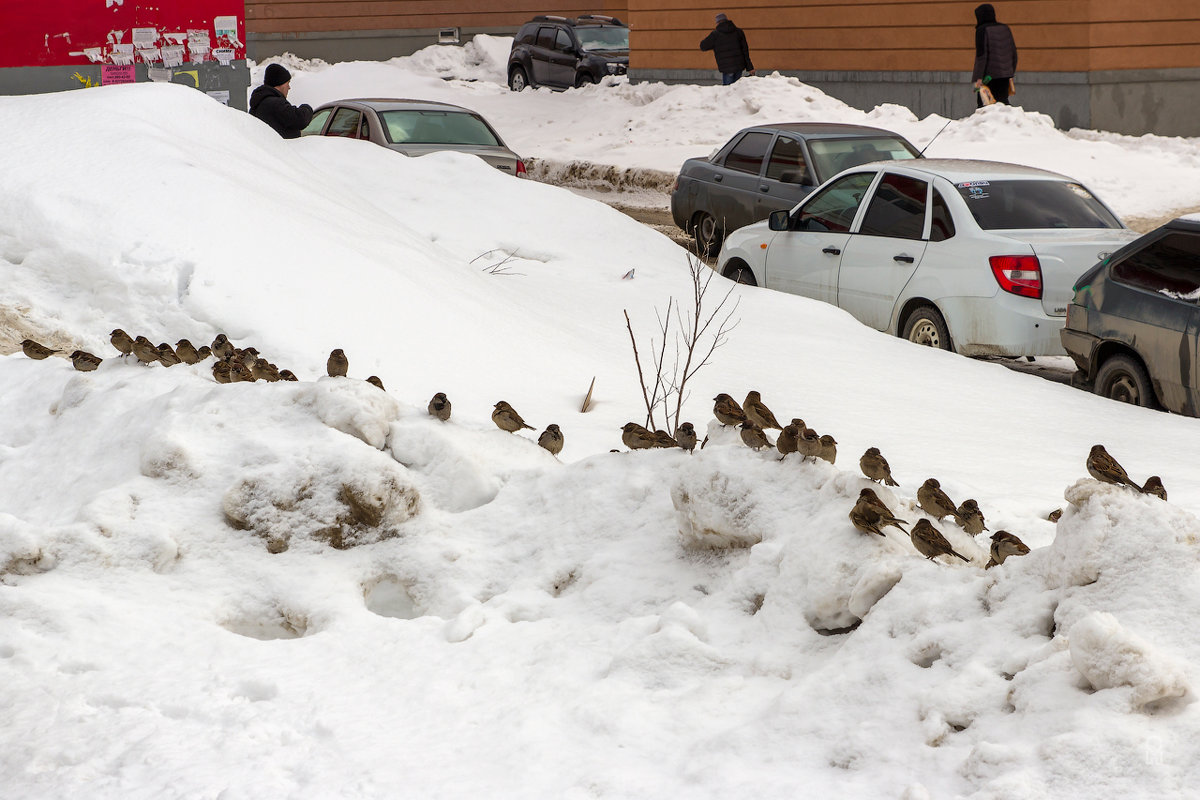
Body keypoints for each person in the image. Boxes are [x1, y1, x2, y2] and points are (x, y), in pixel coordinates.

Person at [249, 63, 314, 138]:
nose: (289, 87)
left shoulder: (258, 104)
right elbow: (300, 119)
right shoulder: (276, 104)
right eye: (288, 83)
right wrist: (306, 108)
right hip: (280, 148)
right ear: (280, 83)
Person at [972, 4, 1018, 107]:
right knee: (1003, 104)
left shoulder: (982, 30)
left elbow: (981, 56)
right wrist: (1010, 72)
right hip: (1005, 76)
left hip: (988, 77)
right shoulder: (1005, 28)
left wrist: (978, 78)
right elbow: (1013, 53)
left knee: (985, 106)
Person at [700, 13, 755, 86]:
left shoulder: (715, 35)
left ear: (718, 22)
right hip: (739, 66)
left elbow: (703, 46)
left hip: (726, 68)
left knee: (727, 91)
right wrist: (750, 67)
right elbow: (745, 51)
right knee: (737, 89)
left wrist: (715, 45)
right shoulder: (739, 32)